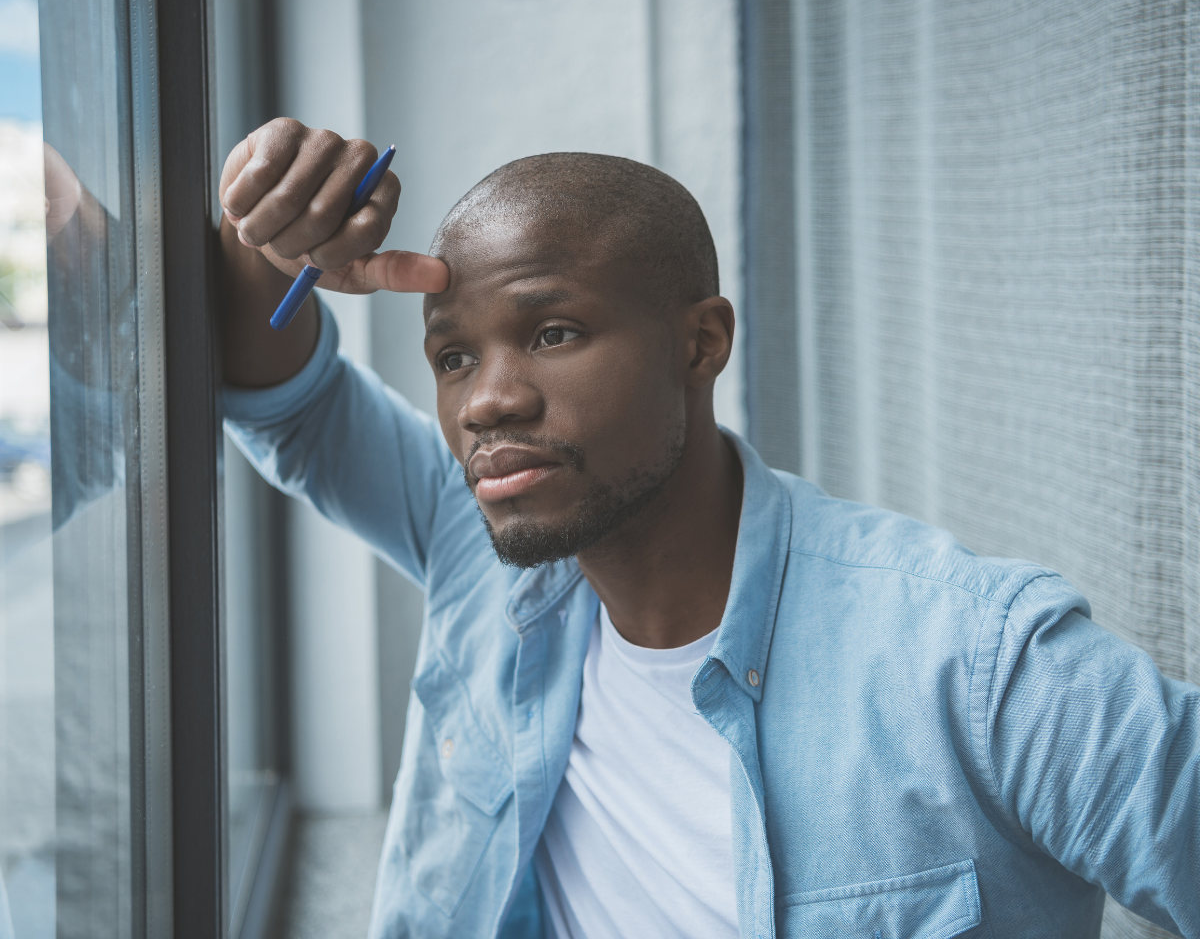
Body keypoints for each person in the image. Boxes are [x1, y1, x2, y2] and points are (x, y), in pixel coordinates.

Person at [220, 118, 1200, 939]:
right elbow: (283, 397)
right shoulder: (482, 546)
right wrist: (267, 229)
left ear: (703, 341)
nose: (488, 402)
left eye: (551, 333)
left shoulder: (977, 666)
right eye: (452, 358)